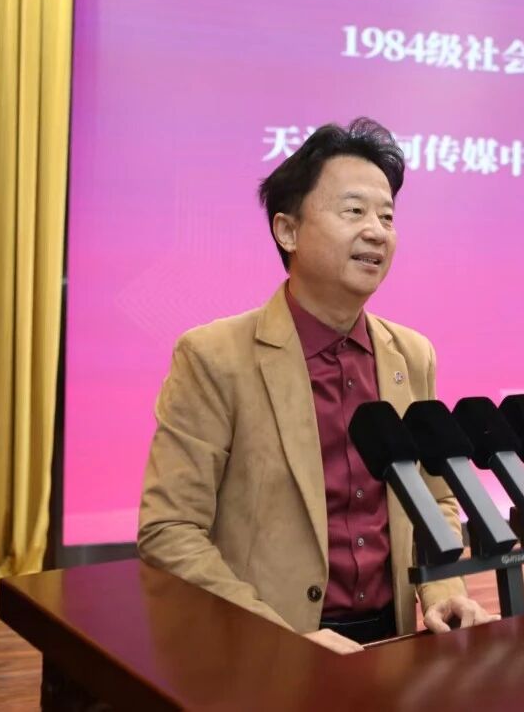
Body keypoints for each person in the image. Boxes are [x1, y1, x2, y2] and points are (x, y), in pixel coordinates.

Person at [138, 118, 496, 653]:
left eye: (387, 216)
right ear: (287, 231)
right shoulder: (213, 357)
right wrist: (286, 643)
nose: (376, 231)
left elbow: (436, 498)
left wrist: (444, 589)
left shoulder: (412, 355)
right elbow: (169, 530)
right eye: (354, 211)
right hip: (270, 651)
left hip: (394, 640)